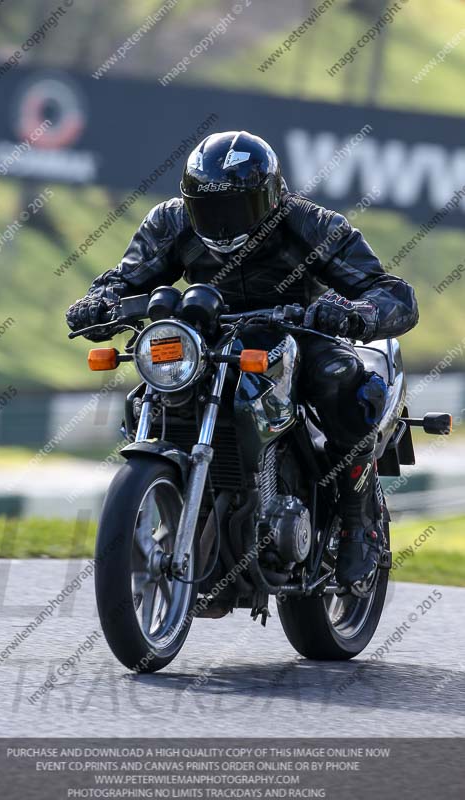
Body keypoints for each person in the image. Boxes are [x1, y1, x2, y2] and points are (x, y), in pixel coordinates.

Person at [66, 130, 418, 593]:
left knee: (341, 378)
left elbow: (393, 294)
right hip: (205, 334)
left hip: (299, 331)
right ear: (190, 202)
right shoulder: (170, 223)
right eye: (211, 209)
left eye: (238, 209)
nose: (224, 222)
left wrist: (354, 312)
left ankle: (357, 524)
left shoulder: (310, 224)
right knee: (146, 390)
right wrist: (100, 302)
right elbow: (126, 278)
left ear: (271, 198)